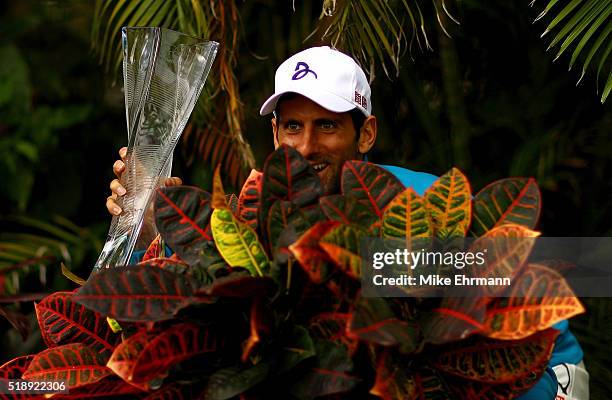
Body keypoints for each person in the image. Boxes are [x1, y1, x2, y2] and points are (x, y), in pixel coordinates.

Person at [106, 46, 589, 399]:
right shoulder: (260, 212)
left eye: (328, 125)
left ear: (366, 133)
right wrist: (154, 233)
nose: (307, 146)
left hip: (543, 377)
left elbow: (560, 278)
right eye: (293, 126)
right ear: (274, 132)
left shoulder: (415, 200)